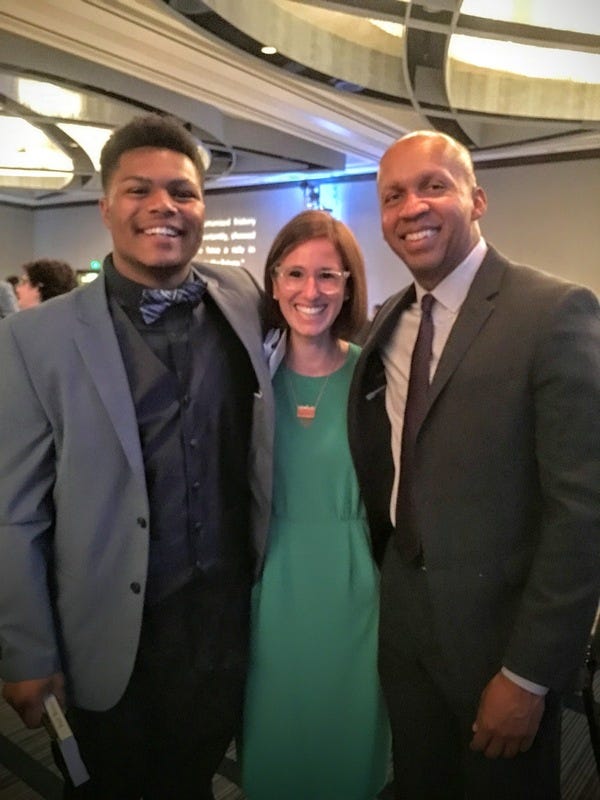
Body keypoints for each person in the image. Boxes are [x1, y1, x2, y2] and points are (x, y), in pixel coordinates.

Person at [0, 114, 273, 799]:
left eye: (182, 192)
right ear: (106, 207)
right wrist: (25, 650)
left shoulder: (240, 298)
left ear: (204, 206)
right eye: (138, 190)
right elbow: (14, 514)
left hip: (224, 632)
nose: (163, 207)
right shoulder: (38, 340)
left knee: (194, 782)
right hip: (110, 639)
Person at [348, 130, 600, 799]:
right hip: (405, 631)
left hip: (500, 643)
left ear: (476, 199)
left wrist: (529, 674)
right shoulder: (385, 324)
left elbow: (583, 513)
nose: (411, 207)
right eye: (393, 195)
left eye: (433, 185)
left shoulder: (554, 312)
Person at [241, 209, 390, 800]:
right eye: (296, 274)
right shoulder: (250, 379)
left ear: (350, 284)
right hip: (272, 586)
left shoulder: (376, 377)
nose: (311, 291)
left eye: (329, 276)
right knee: (274, 744)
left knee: (346, 750)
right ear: (273, 281)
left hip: (355, 588)